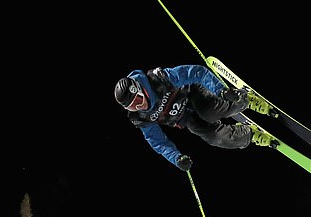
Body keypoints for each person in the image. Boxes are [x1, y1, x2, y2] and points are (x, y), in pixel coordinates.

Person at [114, 64, 275, 171]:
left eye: (138, 100)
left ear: (141, 90)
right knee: (215, 138)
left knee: (210, 111)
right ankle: (250, 133)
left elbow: (196, 72)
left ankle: (245, 99)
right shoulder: (141, 117)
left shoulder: (159, 79)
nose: (139, 106)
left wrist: (221, 90)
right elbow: (158, 142)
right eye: (132, 106)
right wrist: (177, 159)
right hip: (185, 118)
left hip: (192, 95)